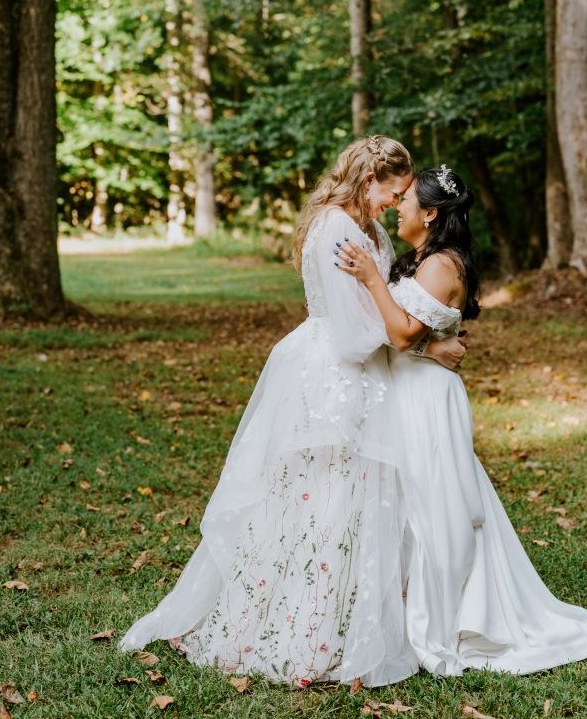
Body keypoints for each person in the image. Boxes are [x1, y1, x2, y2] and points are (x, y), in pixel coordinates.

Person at [117, 136, 465, 687]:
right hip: (334, 374)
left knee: (353, 500)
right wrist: (425, 347)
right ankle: (303, 632)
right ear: (366, 179)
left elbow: (388, 306)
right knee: (320, 498)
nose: (394, 204)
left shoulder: (369, 230)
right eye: (391, 192)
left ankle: (355, 620)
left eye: (403, 196)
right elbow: (353, 335)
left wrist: (417, 334)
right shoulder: (335, 228)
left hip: (365, 375)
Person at [336, 165, 587, 675]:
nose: (397, 205)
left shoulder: (443, 264)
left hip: (426, 398)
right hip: (408, 388)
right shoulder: (422, 258)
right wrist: (434, 341)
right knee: (410, 500)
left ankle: (448, 616)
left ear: (430, 213)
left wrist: (374, 280)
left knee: (436, 507)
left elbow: (401, 334)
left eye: (405, 200)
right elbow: (405, 330)